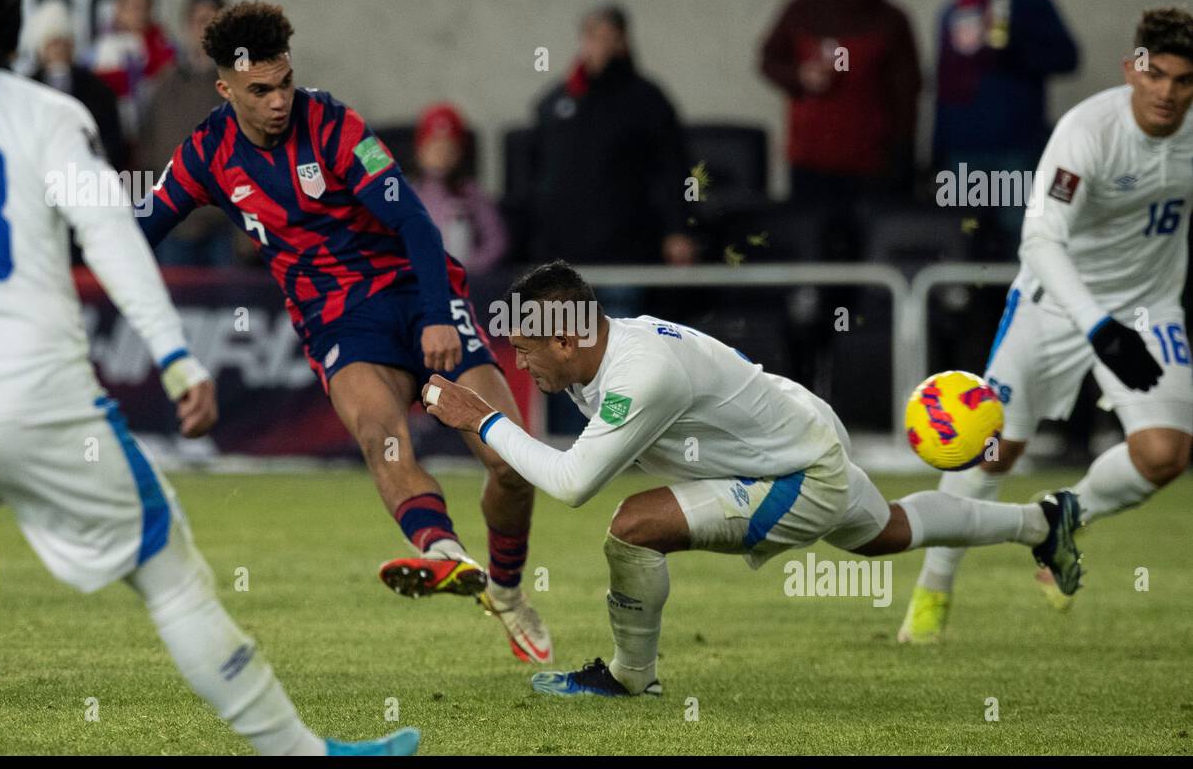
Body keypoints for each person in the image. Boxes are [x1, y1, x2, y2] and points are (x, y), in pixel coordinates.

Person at [0, 0, 416, 756]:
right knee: (170, 573)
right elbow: (114, 238)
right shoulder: (46, 113)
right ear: (13, 34)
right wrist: (175, 357)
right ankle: (302, 756)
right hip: (39, 398)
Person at [419, 261, 1083, 697]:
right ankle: (1042, 522)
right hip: (799, 430)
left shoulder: (639, 372)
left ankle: (630, 678)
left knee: (632, 529)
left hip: (795, 471)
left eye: (528, 353)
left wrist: (482, 421)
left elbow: (571, 484)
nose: (523, 366)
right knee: (889, 533)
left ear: (566, 342)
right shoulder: (602, 353)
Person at [136, 1, 551, 664]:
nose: (278, 102)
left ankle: (505, 588)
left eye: (285, 83)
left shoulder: (332, 124)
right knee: (377, 434)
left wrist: (440, 315)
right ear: (225, 90)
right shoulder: (206, 155)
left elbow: (415, 222)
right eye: (260, 91)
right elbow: (135, 237)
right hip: (339, 322)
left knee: (511, 463)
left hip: (418, 294)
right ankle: (440, 549)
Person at [898, 7, 1193, 644]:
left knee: (1166, 453)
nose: (1168, 92)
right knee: (991, 448)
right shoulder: (1088, 131)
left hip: (1149, 306)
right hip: (1055, 301)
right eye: (1157, 75)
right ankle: (932, 594)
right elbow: (1039, 239)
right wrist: (1096, 326)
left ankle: (1062, 517)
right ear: (1131, 71)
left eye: (1184, 80)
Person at [932, 0, 1078, 256]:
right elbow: (941, 86)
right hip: (962, 151)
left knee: (1023, 242)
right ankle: (973, 312)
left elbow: (1068, 59)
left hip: (1016, 149)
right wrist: (936, 151)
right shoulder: (952, 10)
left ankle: (1025, 312)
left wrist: (1015, 47)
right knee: (963, 243)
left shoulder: (1029, 1)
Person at [760, 0, 921, 222]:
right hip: (812, 160)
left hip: (872, 163)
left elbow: (907, 92)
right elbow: (769, 60)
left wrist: (903, 155)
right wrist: (800, 75)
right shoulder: (803, 9)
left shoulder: (892, 20)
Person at [527, 4, 694, 270]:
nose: (600, 47)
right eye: (593, 37)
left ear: (622, 42)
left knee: (620, 312)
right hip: (564, 251)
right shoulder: (556, 102)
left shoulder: (647, 100)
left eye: (609, 38)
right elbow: (539, 173)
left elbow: (673, 169)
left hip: (627, 247)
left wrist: (678, 230)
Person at [138, 0, 234, 266]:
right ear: (187, 27)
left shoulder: (242, 89)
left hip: (226, 226)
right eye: (199, 21)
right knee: (176, 305)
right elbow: (148, 151)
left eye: (213, 22)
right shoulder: (164, 86)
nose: (205, 30)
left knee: (231, 307)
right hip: (175, 226)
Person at [29, 0, 128, 171]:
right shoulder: (26, 88)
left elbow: (112, 140)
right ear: (40, 48)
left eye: (64, 43)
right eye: (53, 43)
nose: (59, 50)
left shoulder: (97, 89)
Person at [410, 101, 508, 277]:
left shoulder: (471, 193)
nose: (441, 155)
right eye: (434, 147)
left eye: (449, 148)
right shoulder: (408, 194)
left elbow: (497, 241)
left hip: (466, 281)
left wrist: (471, 266)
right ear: (420, 151)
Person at [89, 0, 176, 145]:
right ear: (120, 10)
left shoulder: (162, 43)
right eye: (134, 7)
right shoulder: (108, 45)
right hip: (121, 131)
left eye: (145, 7)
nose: (140, 14)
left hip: (157, 128)